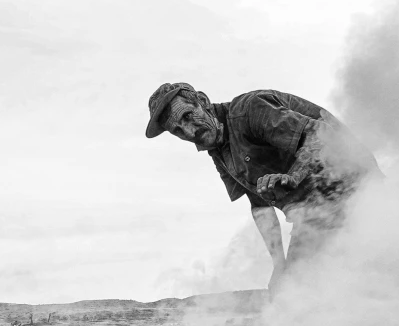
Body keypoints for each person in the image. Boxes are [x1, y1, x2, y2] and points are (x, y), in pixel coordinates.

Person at [146, 83, 380, 291]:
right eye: (177, 130)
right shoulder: (218, 150)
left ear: (203, 102)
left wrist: (293, 176)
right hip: (315, 213)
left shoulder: (249, 110)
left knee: (314, 294)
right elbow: (259, 206)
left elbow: (321, 135)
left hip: (358, 192)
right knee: (290, 295)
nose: (189, 132)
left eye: (187, 116)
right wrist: (279, 264)